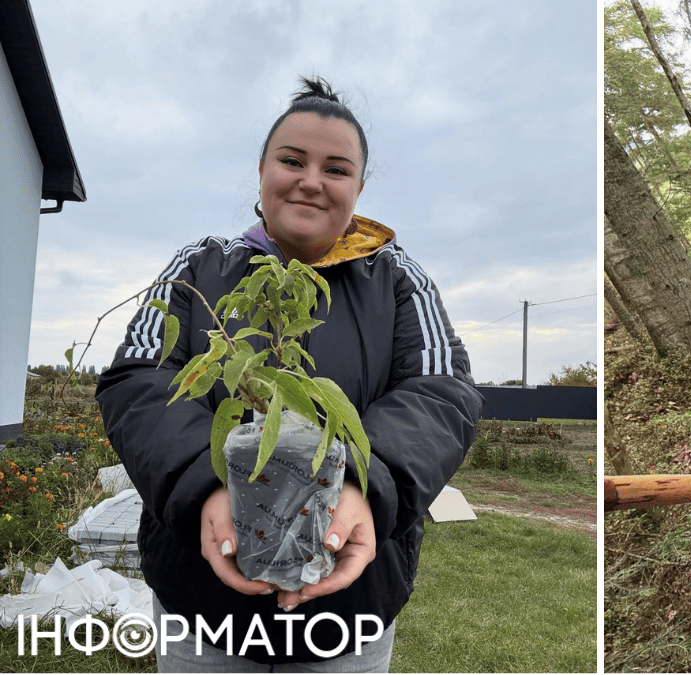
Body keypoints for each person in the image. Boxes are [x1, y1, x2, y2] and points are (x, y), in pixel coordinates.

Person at [96, 76, 485, 671]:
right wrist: (206, 487)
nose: (311, 181)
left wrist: (363, 487)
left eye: (336, 169)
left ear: (358, 187)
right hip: (201, 609)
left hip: (348, 613)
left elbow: (443, 392)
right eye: (292, 160)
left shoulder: (397, 277)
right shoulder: (201, 267)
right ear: (261, 171)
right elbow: (136, 381)